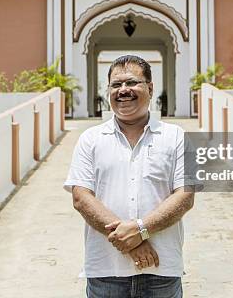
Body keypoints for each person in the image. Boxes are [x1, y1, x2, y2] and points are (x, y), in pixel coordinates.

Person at [64, 55, 195, 298]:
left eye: (132, 83)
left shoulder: (176, 137)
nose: (123, 90)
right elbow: (81, 197)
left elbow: (185, 196)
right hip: (105, 271)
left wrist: (141, 230)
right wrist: (133, 241)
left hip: (161, 270)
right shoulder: (90, 139)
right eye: (116, 85)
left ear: (150, 88)